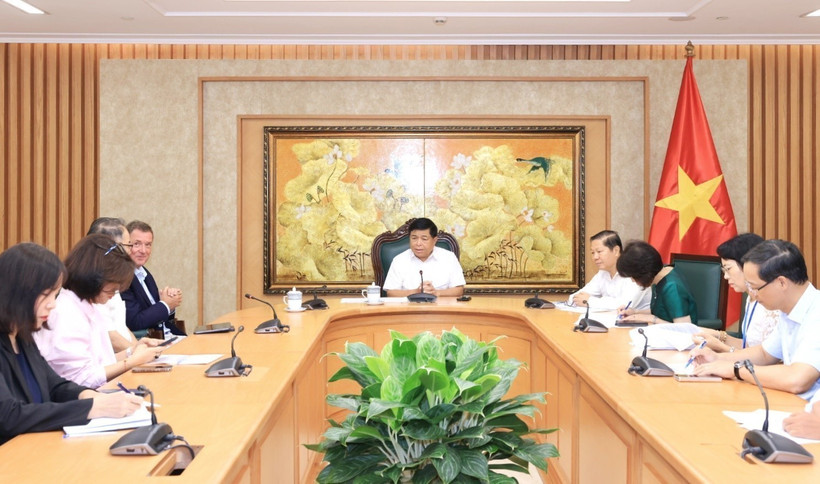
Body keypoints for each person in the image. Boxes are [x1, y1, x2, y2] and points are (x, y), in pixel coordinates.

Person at [0, 242, 145, 445]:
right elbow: (8, 416)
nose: (52, 304)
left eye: (54, 295)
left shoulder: (23, 337)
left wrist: (90, 396)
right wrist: (93, 408)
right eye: (45, 295)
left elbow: (55, 385)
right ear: (16, 292)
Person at [691, 240, 820, 400]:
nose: (752, 294)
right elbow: (765, 354)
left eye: (754, 287)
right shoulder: (789, 310)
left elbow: (797, 379)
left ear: (781, 282)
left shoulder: (816, 313)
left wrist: (736, 369)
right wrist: (717, 359)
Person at [33, 234, 165, 389]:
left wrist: (132, 351)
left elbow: (100, 364)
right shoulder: (66, 313)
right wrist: (132, 362)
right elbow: (82, 379)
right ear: (94, 277)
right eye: (113, 283)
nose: (116, 290)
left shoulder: (88, 306)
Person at [86, 217, 162, 352]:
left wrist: (138, 348)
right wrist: (136, 351)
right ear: (109, 247)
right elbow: (109, 335)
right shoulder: (91, 282)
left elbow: (121, 326)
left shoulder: (112, 279)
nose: (131, 251)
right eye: (129, 245)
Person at [694, 233, 779, 352]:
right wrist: (717, 335)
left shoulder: (772, 305)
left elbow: (767, 359)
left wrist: (720, 347)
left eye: (728, 269)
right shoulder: (751, 297)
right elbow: (749, 346)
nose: (726, 277)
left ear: (749, 265)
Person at [120, 220, 185, 337]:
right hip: (151, 343)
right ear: (127, 244)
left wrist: (169, 304)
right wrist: (165, 305)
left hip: (169, 336)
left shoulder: (144, 273)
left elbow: (158, 318)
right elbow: (135, 322)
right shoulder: (122, 277)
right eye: (137, 244)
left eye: (148, 245)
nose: (143, 251)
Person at [616, 240, 698, 324]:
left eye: (633, 276)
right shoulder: (658, 274)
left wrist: (652, 319)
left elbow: (684, 328)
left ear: (643, 271)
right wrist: (635, 312)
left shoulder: (672, 288)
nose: (633, 280)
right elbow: (661, 310)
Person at [567, 230, 650, 310]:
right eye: (592, 253)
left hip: (641, 322)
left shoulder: (634, 270)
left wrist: (590, 301)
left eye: (599, 251)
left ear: (616, 251)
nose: (595, 257)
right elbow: (576, 297)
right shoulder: (602, 273)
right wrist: (587, 300)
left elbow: (626, 305)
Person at [383, 218, 466, 297]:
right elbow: (391, 293)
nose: (418, 243)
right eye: (414, 238)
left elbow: (459, 290)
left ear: (434, 240)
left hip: (440, 309)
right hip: (409, 309)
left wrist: (436, 292)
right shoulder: (399, 260)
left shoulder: (449, 258)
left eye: (424, 239)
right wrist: (416, 292)